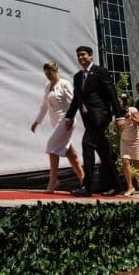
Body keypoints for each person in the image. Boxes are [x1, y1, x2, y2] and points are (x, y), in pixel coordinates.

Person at [64, 46, 125, 197]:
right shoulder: (78, 77)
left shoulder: (100, 72)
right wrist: (69, 117)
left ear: (91, 56)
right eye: (78, 55)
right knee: (104, 153)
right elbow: (76, 100)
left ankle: (87, 187)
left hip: (101, 116)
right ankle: (118, 185)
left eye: (83, 55)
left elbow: (112, 94)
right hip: (88, 119)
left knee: (87, 144)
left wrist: (119, 116)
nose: (81, 57)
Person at [31, 62, 84, 193]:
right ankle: (84, 179)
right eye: (45, 74)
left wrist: (70, 118)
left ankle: (53, 181)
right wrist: (37, 122)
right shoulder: (47, 86)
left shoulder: (64, 84)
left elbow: (73, 102)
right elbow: (44, 106)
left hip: (66, 120)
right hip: (56, 123)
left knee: (51, 146)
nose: (48, 76)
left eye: (49, 73)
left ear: (55, 71)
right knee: (71, 154)